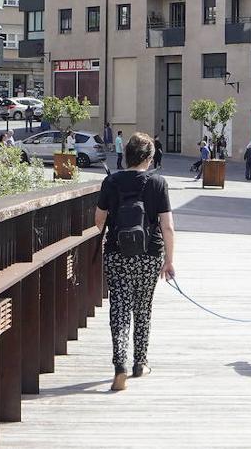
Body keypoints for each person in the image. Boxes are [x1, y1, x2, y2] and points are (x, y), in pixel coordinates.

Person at [94, 133, 176, 391]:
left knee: (119, 308)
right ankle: (140, 363)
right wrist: (169, 261)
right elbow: (168, 227)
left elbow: (99, 220)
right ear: (149, 159)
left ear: (126, 155)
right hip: (150, 254)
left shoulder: (111, 181)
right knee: (142, 308)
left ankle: (120, 364)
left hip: (118, 253)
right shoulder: (158, 183)